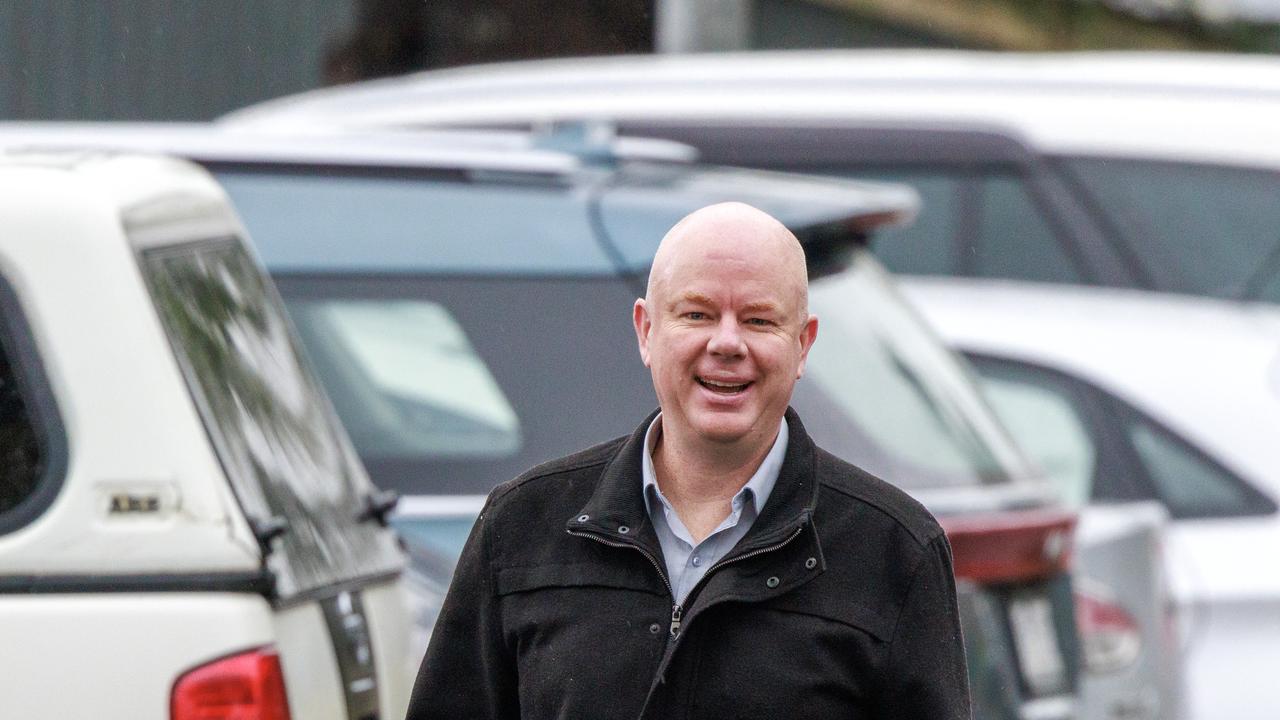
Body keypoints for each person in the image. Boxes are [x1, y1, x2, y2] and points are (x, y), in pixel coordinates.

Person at [406, 202, 971, 720]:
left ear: (803, 345)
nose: (727, 343)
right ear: (646, 331)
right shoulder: (522, 526)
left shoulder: (895, 550)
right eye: (697, 315)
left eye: (758, 320)